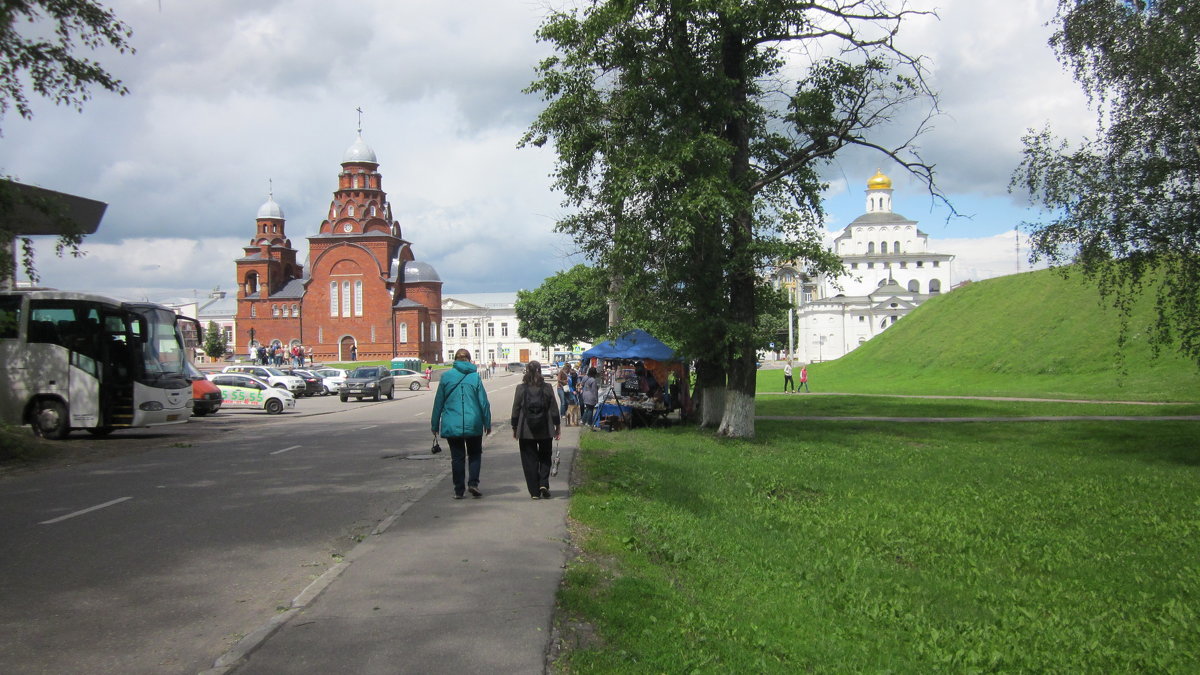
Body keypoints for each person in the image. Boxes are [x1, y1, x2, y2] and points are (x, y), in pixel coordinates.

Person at [431, 348, 492, 499]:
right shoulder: (474, 377)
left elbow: (438, 403)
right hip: (473, 422)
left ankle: (459, 490)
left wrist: (434, 425)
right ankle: (473, 484)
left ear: (455, 360)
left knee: (457, 458)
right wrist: (487, 422)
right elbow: (483, 402)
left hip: (452, 423)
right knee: (475, 454)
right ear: (470, 360)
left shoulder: (446, 377)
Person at [511, 361, 561, 499]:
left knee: (529, 460)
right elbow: (554, 408)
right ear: (540, 371)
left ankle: (534, 491)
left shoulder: (520, 388)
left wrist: (514, 427)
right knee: (545, 456)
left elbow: (515, 409)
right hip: (545, 427)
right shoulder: (547, 387)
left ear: (527, 371)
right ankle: (543, 483)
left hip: (526, 429)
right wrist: (557, 426)